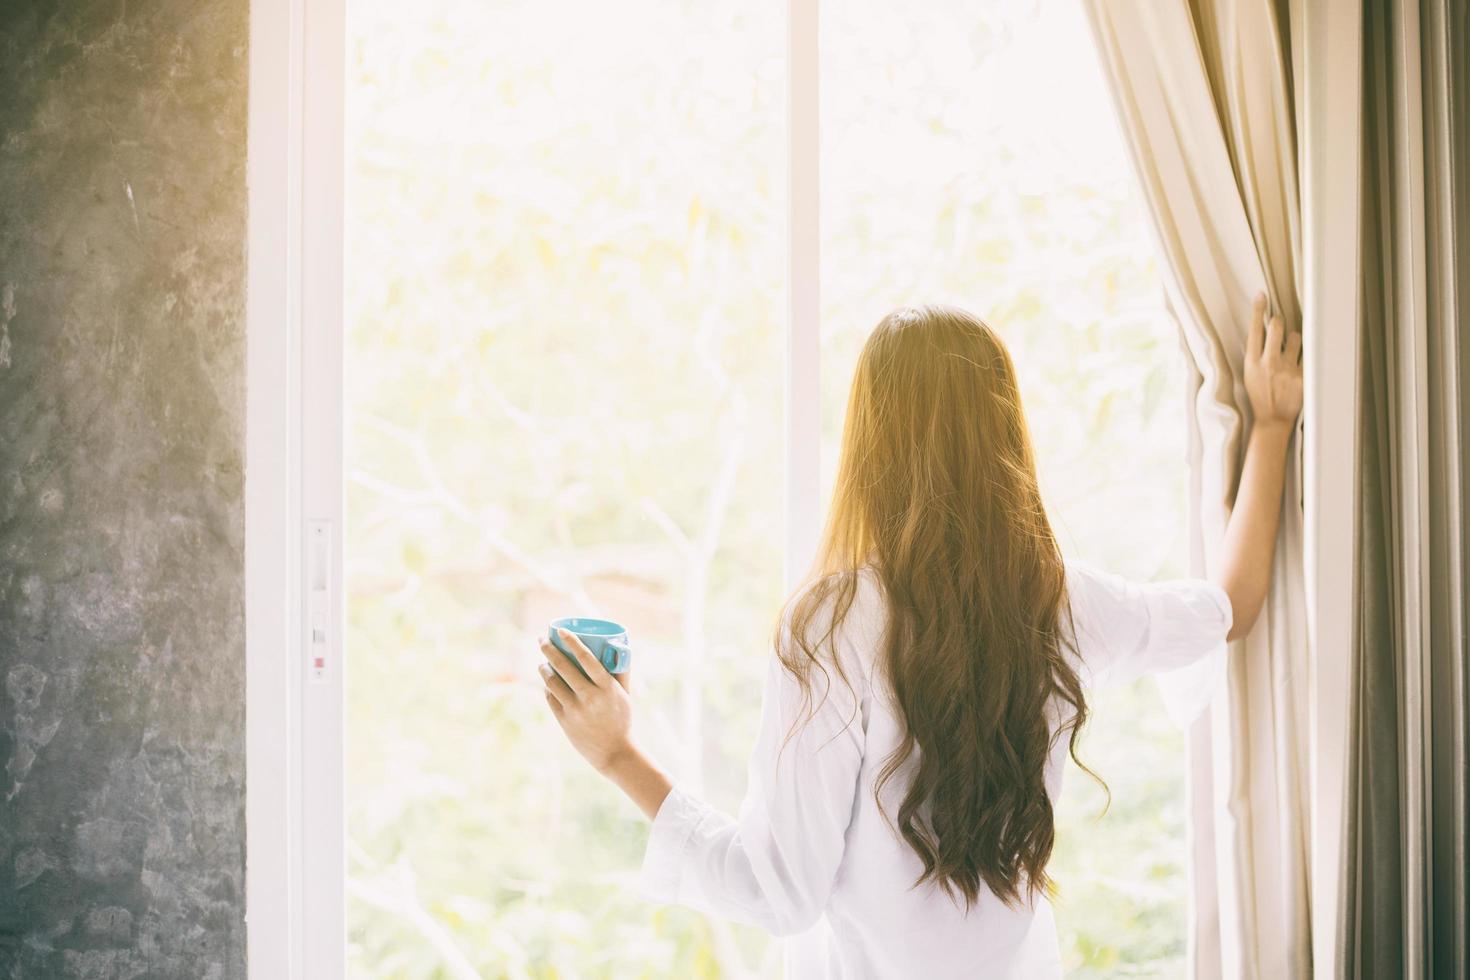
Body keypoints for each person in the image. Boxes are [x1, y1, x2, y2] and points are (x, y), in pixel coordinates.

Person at [536, 295, 1303, 978]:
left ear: (868, 447)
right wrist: (1271, 424)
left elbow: (779, 890)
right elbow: (1230, 605)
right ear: (1005, 433)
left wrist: (616, 754)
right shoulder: (1062, 602)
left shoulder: (831, 628)